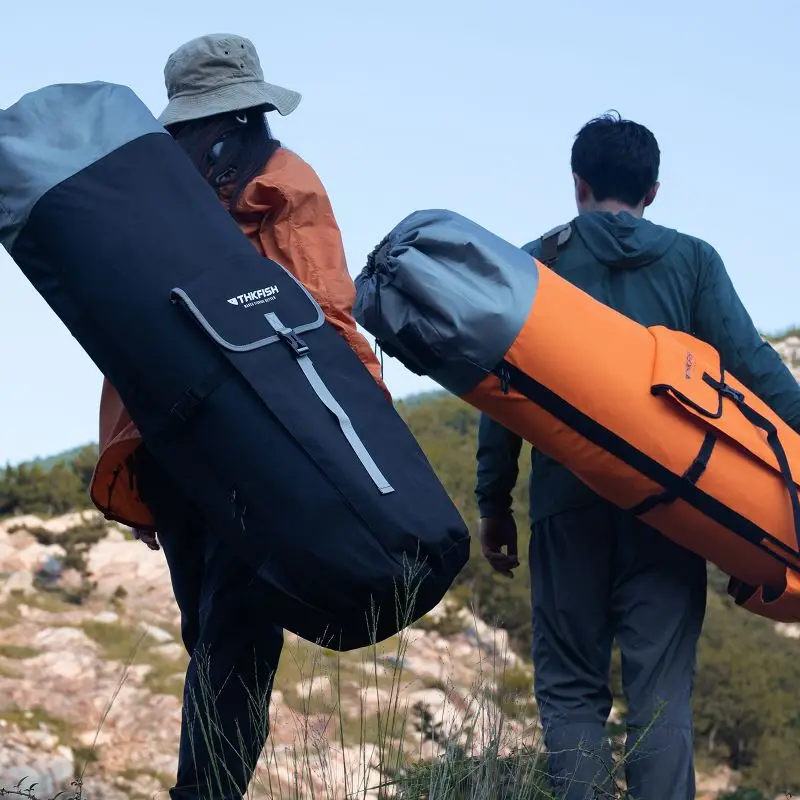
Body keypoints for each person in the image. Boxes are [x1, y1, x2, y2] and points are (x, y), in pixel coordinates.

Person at [88, 33, 391, 799]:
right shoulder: (239, 184)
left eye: (190, 128)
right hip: (213, 450)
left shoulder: (253, 188)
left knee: (229, 638)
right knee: (222, 640)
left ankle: (204, 791)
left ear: (220, 122)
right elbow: (319, 317)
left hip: (223, 448)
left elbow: (318, 319)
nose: (185, 143)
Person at [474, 112, 800, 799]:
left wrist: (493, 504)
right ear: (654, 191)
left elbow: (499, 391)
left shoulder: (537, 261)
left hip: (566, 507)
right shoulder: (692, 260)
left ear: (578, 184)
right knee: (660, 698)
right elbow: (755, 371)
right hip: (671, 505)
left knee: (571, 693)